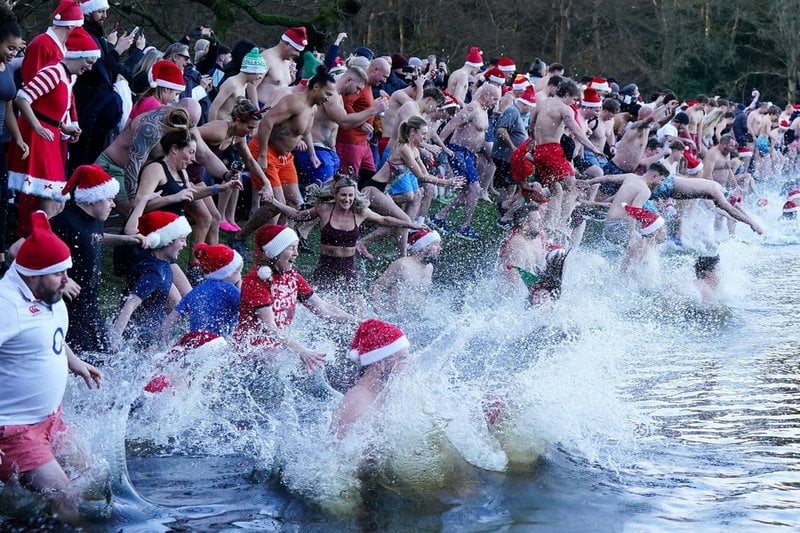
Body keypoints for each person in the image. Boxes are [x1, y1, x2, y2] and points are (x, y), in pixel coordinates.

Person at [0, 210, 102, 525]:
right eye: (60, 274)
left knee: (91, 475)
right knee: (64, 495)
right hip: (13, 430)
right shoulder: (7, 305)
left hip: (50, 419)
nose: (67, 281)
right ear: (34, 273)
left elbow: (48, 335)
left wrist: (75, 362)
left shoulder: (48, 294)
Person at [263, 176, 425, 308]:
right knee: (326, 308)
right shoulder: (324, 209)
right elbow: (298, 216)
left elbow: (384, 219)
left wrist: (412, 224)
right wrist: (274, 202)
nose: (347, 199)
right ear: (335, 194)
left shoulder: (360, 212)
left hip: (348, 267)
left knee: (358, 309)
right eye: (343, 195)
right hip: (326, 266)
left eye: (350, 195)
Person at [8, 26, 99, 235]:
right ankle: (34, 246)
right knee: (48, 203)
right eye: (88, 62)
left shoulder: (65, 76)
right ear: (77, 56)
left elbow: (48, 110)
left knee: (54, 203)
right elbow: (23, 98)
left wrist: (63, 127)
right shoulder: (54, 72)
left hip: (49, 138)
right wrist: (37, 127)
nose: (90, 68)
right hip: (38, 140)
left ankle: (40, 246)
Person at [233, 224, 357, 374]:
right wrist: (303, 352)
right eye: (291, 248)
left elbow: (324, 309)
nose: (296, 254)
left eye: (296, 248)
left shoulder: (292, 277)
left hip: (276, 348)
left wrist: (359, 322)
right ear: (275, 252)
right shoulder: (256, 281)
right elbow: (270, 328)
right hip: (251, 354)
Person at [50, 164, 146, 355]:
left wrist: (125, 240)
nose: (113, 204)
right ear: (93, 198)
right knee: (84, 365)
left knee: (108, 357)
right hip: (69, 308)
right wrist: (62, 279)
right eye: (110, 199)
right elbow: (20, 250)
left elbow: (92, 240)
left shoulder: (95, 220)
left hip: (91, 306)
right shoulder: (64, 222)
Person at [249, 66, 336, 215]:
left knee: (296, 203)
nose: (328, 98)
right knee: (277, 204)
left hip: (285, 157)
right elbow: (266, 122)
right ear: (316, 87)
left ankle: (286, 236)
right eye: (327, 93)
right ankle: (249, 236)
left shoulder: (313, 108)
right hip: (267, 150)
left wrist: (312, 154)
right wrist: (262, 154)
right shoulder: (294, 101)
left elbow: (305, 132)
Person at [429, 83, 502, 241]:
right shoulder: (473, 108)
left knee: (467, 190)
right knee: (474, 188)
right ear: (485, 95)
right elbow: (453, 123)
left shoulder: (483, 110)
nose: (495, 102)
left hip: (468, 154)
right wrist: (440, 144)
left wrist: (474, 152)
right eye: (494, 98)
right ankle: (464, 226)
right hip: (459, 152)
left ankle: (440, 217)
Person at [111, 210, 192, 350]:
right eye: (182, 239)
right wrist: (113, 342)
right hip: (140, 338)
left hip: (154, 331)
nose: (185, 245)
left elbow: (178, 302)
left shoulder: (163, 262)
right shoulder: (153, 272)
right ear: (168, 240)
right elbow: (130, 304)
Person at [331, 319, 409, 439]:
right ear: (379, 364)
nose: (407, 365)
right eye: (402, 359)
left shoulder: (381, 392)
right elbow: (338, 455)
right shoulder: (357, 402)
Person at [161, 243, 242, 340]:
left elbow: (170, 321)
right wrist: (240, 286)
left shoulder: (196, 292)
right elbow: (248, 307)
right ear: (227, 273)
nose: (240, 276)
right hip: (217, 343)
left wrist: (160, 339)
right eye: (238, 272)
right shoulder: (229, 289)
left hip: (196, 342)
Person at [0, 6, 25, 265]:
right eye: (10, 48)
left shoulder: (6, 69)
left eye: (17, 50)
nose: (13, 54)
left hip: (2, 142)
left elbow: (8, 105)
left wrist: (18, 138)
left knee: (2, 196)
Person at [370, 228, 441, 314]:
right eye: (436, 244)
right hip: (396, 316)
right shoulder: (402, 264)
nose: (439, 249)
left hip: (418, 318)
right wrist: (378, 308)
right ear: (424, 246)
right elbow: (377, 286)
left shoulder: (430, 268)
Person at [208, 48, 265, 122]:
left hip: (229, 129)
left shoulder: (243, 85)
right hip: (219, 126)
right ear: (251, 70)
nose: (260, 77)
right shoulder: (232, 83)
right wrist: (211, 128)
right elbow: (213, 108)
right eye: (260, 73)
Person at [256, 26, 307, 106]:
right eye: (296, 50)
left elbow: (279, 84)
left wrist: (291, 80)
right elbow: (251, 86)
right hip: (261, 107)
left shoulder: (288, 61)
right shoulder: (267, 57)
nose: (297, 54)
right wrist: (255, 111)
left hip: (276, 111)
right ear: (286, 44)